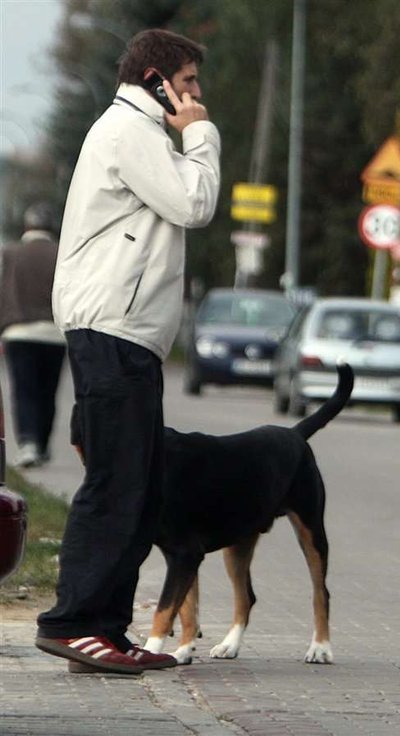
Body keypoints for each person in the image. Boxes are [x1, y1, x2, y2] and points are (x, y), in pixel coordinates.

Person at [35, 28, 221, 675]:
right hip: (112, 330)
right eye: (190, 83)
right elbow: (194, 203)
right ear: (155, 80)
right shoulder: (129, 132)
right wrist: (200, 135)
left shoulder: (140, 135)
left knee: (139, 491)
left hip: (129, 335)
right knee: (116, 484)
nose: (198, 96)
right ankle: (71, 623)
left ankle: (105, 630)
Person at [0, 203, 66, 468]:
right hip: (54, 332)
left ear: (26, 226)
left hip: (19, 331)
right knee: (48, 390)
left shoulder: (11, 254)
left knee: (24, 388)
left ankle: (28, 442)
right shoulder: (61, 254)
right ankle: (43, 442)